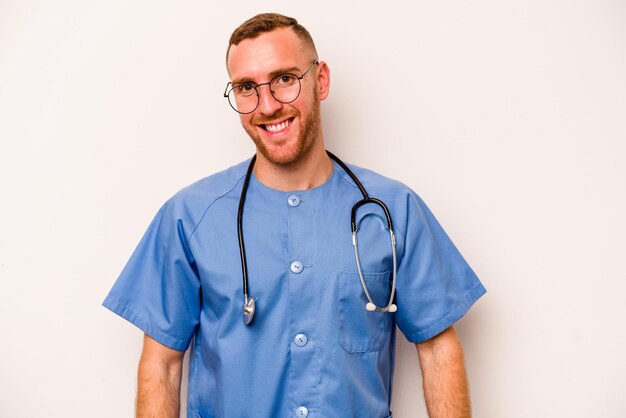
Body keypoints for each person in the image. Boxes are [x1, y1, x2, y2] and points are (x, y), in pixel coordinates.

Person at [103, 12, 486, 418]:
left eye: (285, 79)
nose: (267, 105)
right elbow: (162, 364)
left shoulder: (394, 211)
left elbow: (438, 348)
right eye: (247, 87)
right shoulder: (189, 217)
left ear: (320, 80)